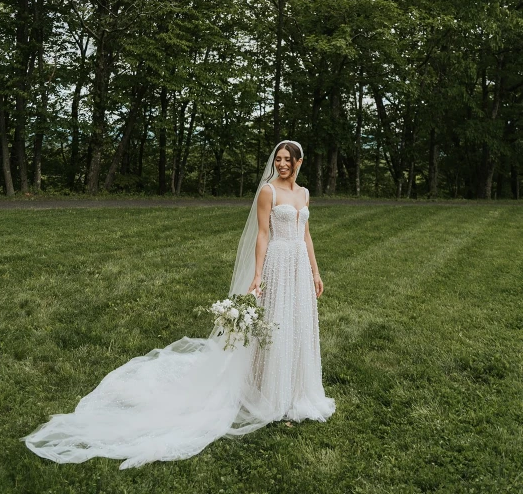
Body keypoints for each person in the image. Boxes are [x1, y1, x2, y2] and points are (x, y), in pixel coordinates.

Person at [22, 140, 335, 469]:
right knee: (273, 322)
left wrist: (316, 271)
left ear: (298, 163)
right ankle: (265, 388)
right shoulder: (268, 192)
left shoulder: (305, 194)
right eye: (279, 159)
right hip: (277, 266)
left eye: (288, 160)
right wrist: (257, 275)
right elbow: (262, 235)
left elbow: (306, 235)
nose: (282, 164)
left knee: (296, 324)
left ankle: (297, 388)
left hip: (299, 267)